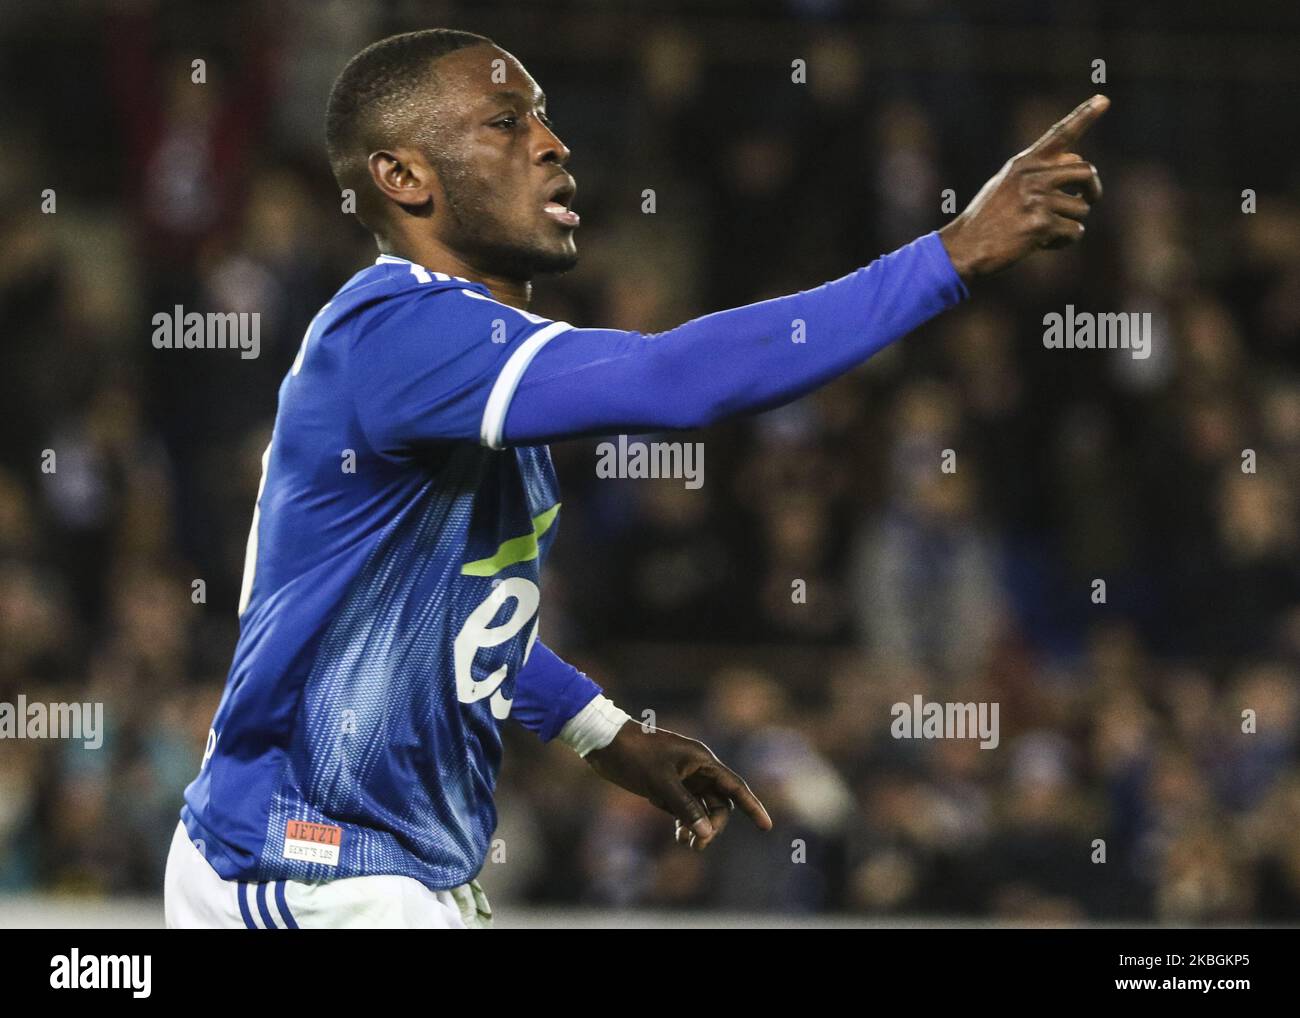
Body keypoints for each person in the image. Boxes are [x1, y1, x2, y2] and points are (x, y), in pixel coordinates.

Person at [164, 28, 1106, 928]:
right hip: (302, 865)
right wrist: (949, 255)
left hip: (375, 869)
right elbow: (677, 378)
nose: (552, 143)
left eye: (541, 116)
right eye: (507, 123)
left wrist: (603, 731)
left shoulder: (471, 371)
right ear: (403, 176)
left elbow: (441, 617)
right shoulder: (398, 333)